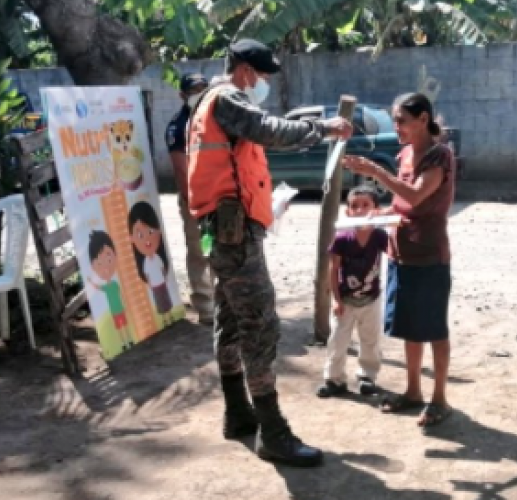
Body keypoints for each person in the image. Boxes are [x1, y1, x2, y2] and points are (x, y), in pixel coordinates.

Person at [187, 38, 353, 467]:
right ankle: (273, 433)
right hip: (234, 235)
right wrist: (324, 128)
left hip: (224, 230)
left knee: (230, 319)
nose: (262, 84)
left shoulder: (207, 102)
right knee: (259, 325)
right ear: (244, 70)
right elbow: (272, 131)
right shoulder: (228, 98)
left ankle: (238, 413)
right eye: (261, 75)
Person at [344, 92, 455, 430]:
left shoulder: (439, 156)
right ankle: (413, 391)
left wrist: (375, 171)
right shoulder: (405, 154)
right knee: (410, 327)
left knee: (433, 328)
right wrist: (379, 216)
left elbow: (416, 195)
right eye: (394, 120)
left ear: (423, 119)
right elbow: (400, 204)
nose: (396, 127)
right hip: (401, 253)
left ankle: (440, 399)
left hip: (430, 256)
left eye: (402, 121)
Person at [317, 185, 387, 399]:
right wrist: (336, 300)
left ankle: (367, 376)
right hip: (345, 300)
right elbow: (334, 269)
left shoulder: (380, 236)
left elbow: (396, 253)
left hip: (371, 299)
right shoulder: (342, 238)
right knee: (338, 341)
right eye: (355, 206)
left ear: (376, 209)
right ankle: (334, 379)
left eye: (366, 205)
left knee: (370, 340)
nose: (360, 210)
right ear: (348, 212)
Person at [165, 73, 215, 325]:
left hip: (220, 195)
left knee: (221, 249)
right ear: (182, 95)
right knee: (199, 251)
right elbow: (180, 169)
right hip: (195, 199)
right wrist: (194, 202)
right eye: (194, 90)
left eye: (203, 88)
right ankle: (206, 308)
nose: (200, 94)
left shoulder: (216, 117)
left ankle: (224, 303)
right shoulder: (178, 126)